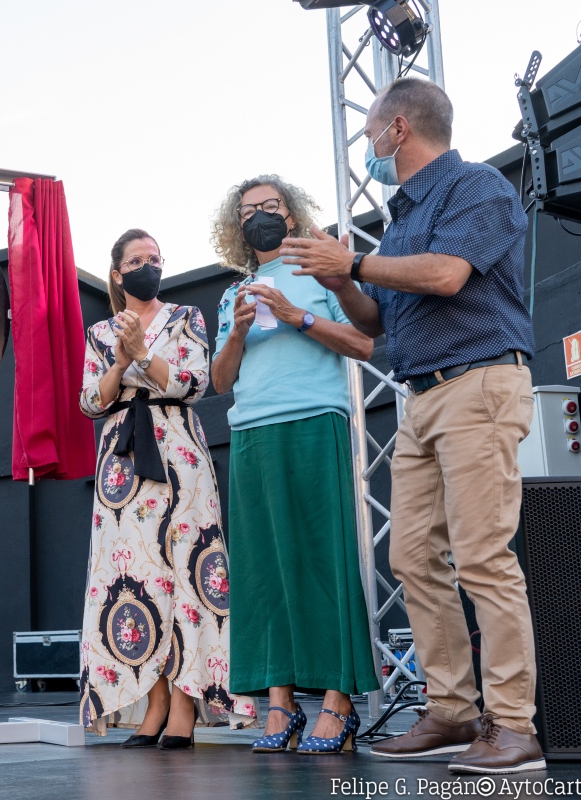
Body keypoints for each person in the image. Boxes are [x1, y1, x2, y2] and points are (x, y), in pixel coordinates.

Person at [282, 77, 542, 775]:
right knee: (412, 559)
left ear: (398, 128)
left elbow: (449, 274)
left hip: (479, 383)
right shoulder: (399, 220)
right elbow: (378, 325)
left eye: (369, 130)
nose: (366, 144)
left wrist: (357, 262)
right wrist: (343, 285)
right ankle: (453, 711)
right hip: (422, 396)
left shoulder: (476, 187)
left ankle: (514, 727)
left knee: (484, 556)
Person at [209, 176, 379, 755]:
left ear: (292, 213)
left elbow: (364, 342)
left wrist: (295, 314)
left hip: (315, 421)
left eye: (270, 206)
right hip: (253, 433)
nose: (260, 215)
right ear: (238, 226)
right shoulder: (235, 292)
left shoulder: (318, 271)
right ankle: (279, 702)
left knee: (323, 558)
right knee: (262, 570)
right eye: (249, 210)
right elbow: (220, 380)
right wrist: (235, 332)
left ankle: (338, 701)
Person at [77, 228, 257, 749]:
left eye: (155, 258)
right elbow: (92, 401)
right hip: (122, 463)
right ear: (118, 273)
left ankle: (184, 703)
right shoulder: (99, 331)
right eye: (137, 259)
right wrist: (121, 358)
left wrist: (142, 357)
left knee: (187, 573)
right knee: (135, 577)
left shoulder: (187, 319)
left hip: (179, 453)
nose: (148, 265)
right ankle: (152, 703)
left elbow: (193, 382)